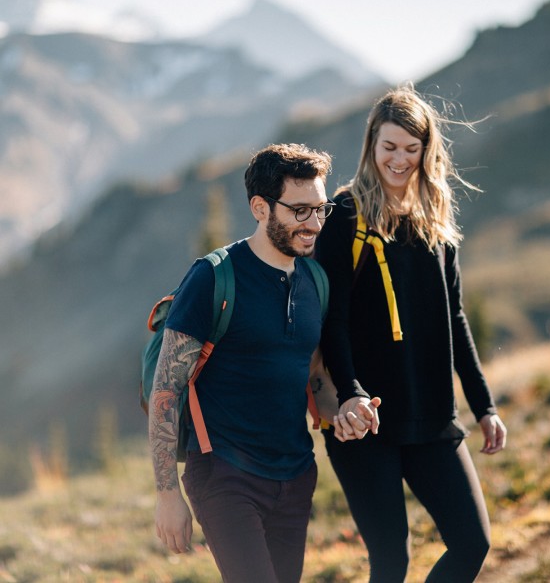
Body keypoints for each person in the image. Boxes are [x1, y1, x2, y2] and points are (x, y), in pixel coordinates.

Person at [315, 85, 508, 582]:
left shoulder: (436, 222)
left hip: (432, 416)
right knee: (391, 560)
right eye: (389, 147)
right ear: (371, 147)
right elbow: (331, 320)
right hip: (366, 422)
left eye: (411, 148)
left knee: (472, 542)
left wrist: (483, 406)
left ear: (427, 150)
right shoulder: (346, 216)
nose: (399, 160)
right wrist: (351, 393)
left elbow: (456, 318)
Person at [148, 143, 338, 583]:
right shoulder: (213, 277)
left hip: (295, 476)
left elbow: (312, 374)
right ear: (260, 207)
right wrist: (167, 494)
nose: (313, 224)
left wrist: (344, 410)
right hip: (225, 476)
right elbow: (166, 390)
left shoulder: (315, 281)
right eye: (300, 211)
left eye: (320, 210)